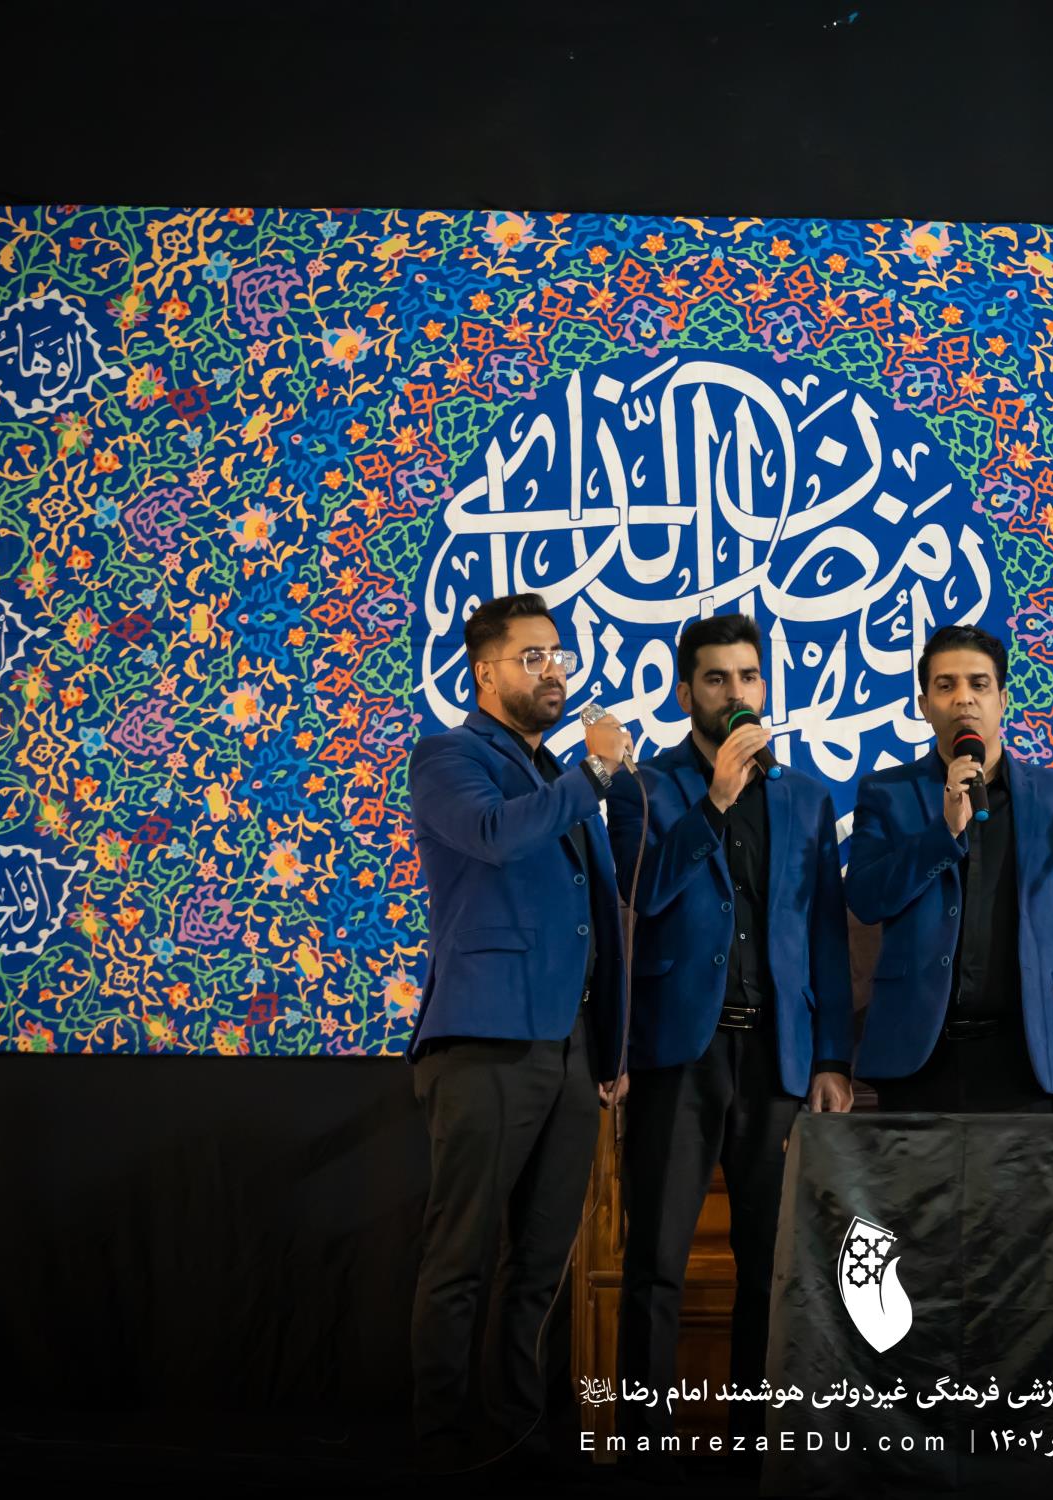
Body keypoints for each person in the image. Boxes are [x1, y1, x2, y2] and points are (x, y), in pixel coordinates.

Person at [604, 612, 855, 1478]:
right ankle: (644, 1448)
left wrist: (831, 1057)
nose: (735, 692)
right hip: (680, 1053)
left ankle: (755, 1450)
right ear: (686, 693)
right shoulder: (645, 788)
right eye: (716, 679)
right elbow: (644, 895)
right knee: (656, 1262)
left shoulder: (805, 796)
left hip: (777, 1059)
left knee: (769, 1268)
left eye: (748, 677)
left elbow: (824, 934)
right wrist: (712, 800)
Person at [403, 591, 632, 1472]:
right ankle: (442, 1443)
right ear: (484, 673)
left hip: (570, 1051)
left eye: (558, 655)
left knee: (540, 1265)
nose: (552, 671)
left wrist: (608, 1047)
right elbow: (493, 837)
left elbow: (602, 913)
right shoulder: (450, 757)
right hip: (487, 1040)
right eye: (531, 657)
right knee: (461, 1255)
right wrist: (592, 776)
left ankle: (517, 1436)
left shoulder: (559, 778)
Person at [845, 623, 1053, 1113]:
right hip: (917, 1056)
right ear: (924, 705)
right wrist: (943, 833)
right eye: (945, 685)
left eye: (979, 684)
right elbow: (866, 899)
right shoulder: (886, 793)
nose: (963, 698)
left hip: (1026, 1056)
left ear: (1002, 699)